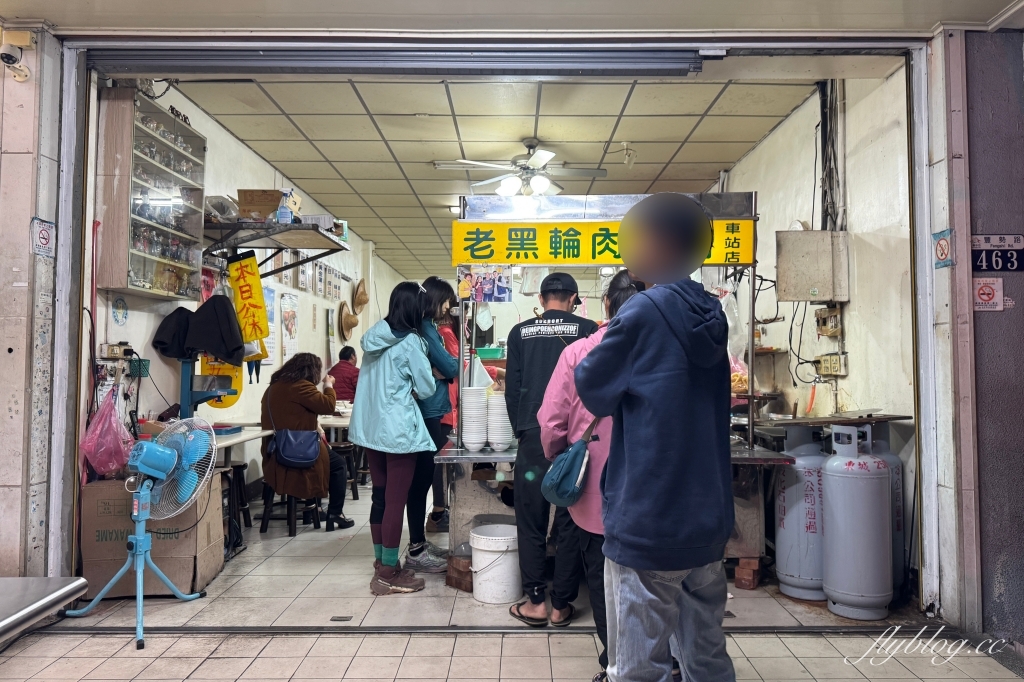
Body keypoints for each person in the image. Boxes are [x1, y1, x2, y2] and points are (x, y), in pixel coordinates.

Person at [575, 193, 735, 682]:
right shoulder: (712, 311)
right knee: (704, 656)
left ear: (660, 244)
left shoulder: (643, 311)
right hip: (706, 520)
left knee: (637, 665)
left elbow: (592, 386)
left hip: (650, 517)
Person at [538, 269, 639, 681]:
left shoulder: (579, 352)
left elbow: (551, 423)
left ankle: (615, 665)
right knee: (656, 583)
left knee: (603, 581)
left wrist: (561, 455)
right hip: (655, 492)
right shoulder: (668, 352)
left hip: (595, 493)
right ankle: (656, 662)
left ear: (606, 306)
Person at [505, 272, 599, 627]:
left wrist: (523, 431)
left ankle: (534, 602)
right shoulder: (589, 328)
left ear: (542, 299)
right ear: (574, 298)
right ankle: (561, 604)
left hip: (533, 438)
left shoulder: (520, 332)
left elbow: (512, 390)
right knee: (571, 519)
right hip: (576, 442)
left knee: (530, 519)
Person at [348, 282, 437, 595]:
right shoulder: (411, 343)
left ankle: (380, 562)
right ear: (414, 309)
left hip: (371, 431)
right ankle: (387, 573)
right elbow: (426, 388)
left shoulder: (374, 338)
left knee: (381, 498)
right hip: (397, 431)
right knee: (396, 501)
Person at [403, 276, 461, 573]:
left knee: (424, 478)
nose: (449, 306)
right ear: (435, 299)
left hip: (432, 410)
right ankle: (415, 548)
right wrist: (442, 371)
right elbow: (452, 366)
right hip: (430, 412)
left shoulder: (428, 328)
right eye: (447, 300)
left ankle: (419, 544)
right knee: (421, 479)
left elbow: (448, 367)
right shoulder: (426, 327)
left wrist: (441, 371)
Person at [261, 352, 354, 533]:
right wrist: (328, 385)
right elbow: (328, 405)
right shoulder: (301, 386)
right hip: (299, 450)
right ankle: (335, 513)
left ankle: (316, 509)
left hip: (275, 449)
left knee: (328, 459)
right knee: (338, 465)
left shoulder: (274, 387)